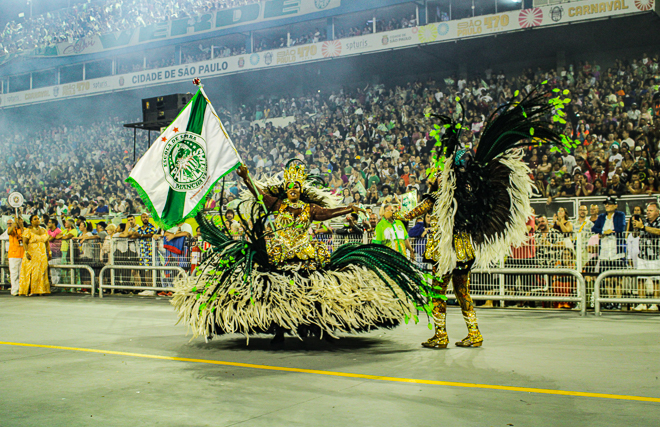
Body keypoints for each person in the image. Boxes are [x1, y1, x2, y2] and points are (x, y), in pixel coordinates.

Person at [172, 160, 430, 343]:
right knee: (278, 290)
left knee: (315, 288)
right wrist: (246, 177)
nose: (294, 189)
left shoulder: (309, 209)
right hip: (279, 251)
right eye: (291, 186)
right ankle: (280, 331)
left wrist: (350, 208)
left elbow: (329, 213)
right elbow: (259, 194)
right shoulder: (278, 204)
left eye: (297, 186)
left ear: (300, 189)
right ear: (287, 189)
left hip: (305, 252)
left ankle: (322, 325)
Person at [394, 86, 565, 349]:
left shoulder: (445, 192)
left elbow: (422, 207)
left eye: (441, 171)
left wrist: (401, 214)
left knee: (438, 291)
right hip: (464, 249)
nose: (436, 173)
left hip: (446, 250)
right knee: (462, 291)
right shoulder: (465, 193)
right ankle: (474, 334)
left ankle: (441, 336)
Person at [591, 196, 627, 310]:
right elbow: (594, 229)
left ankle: (618, 301)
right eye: (606, 204)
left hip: (617, 251)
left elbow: (621, 227)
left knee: (617, 278)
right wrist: (603, 232)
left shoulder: (620, 215)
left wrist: (609, 232)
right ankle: (610, 300)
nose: (607, 205)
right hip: (605, 252)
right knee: (607, 278)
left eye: (609, 204)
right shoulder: (602, 217)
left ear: (615, 205)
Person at [631, 202, 660, 311]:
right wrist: (636, 228)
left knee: (656, 280)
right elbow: (635, 235)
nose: (648, 213)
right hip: (642, 254)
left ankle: (655, 304)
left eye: (651, 211)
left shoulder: (659, 221)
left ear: (657, 212)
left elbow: (658, 231)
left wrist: (643, 227)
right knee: (640, 279)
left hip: (656, 255)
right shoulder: (644, 221)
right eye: (647, 211)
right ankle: (642, 302)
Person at [18, 214, 52, 296]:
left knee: (42, 271)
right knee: (32, 271)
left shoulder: (44, 230)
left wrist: (49, 252)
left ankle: (41, 289)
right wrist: (26, 252)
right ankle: (31, 290)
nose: (37, 220)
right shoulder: (28, 231)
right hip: (32, 253)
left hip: (42, 254)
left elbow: (47, 242)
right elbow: (25, 242)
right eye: (35, 219)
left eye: (38, 218)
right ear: (31, 221)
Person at [7, 216, 25, 296]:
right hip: (13, 254)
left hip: (23, 254)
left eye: (21, 221)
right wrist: (14, 225)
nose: (19, 222)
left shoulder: (24, 229)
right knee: (14, 273)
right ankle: (14, 290)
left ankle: (21, 289)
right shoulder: (11, 229)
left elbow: (25, 235)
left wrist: (21, 226)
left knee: (22, 273)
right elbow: (9, 232)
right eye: (18, 220)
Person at [46, 218, 62, 288]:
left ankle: (58, 285)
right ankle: (54, 284)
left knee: (57, 270)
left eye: (49, 222)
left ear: (53, 224)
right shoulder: (49, 231)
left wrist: (49, 237)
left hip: (57, 252)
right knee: (52, 270)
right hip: (50, 253)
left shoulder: (58, 231)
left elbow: (50, 239)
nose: (48, 224)